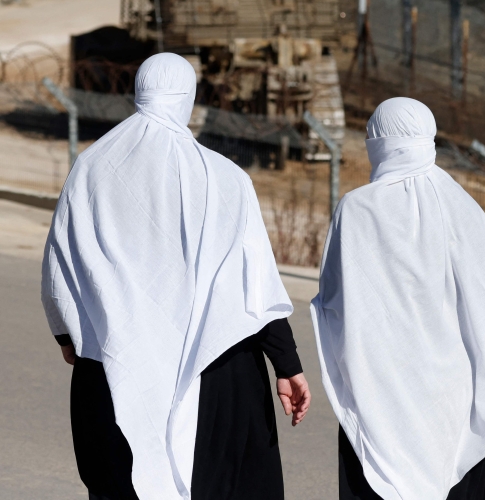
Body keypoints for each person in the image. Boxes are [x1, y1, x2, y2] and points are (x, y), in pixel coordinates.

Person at [41, 53, 311, 500]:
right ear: (189, 98)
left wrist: (68, 336)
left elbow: (60, 265)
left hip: (113, 364)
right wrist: (287, 364)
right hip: (217, 372)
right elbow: (254, 281)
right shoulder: (225, 176)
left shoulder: (90, 169)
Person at [311, 97, 485, 500]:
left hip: (380, 393)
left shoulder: (356, 209)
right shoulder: (461, 205)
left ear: (378, 141)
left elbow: (335, 303)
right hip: (452, 398)